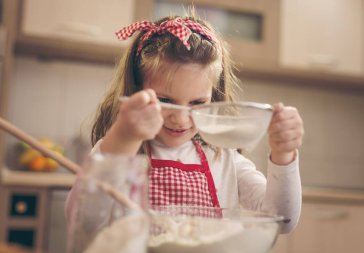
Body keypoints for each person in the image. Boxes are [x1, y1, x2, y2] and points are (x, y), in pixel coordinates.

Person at [66, 14, 304, 233]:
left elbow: (282, 221)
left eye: (197, 103)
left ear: (214, 99)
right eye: (165, 100)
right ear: (137, 91)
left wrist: (284, 154)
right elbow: (82, 222)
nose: (180, 119)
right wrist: (122, 139)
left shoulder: (225, 159)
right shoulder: (116, 153)